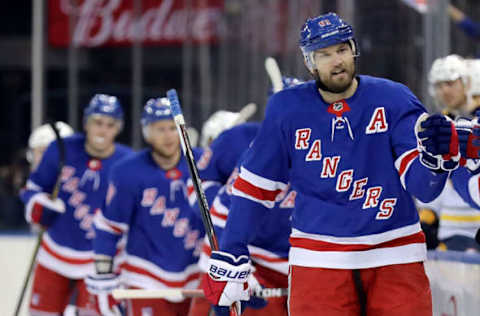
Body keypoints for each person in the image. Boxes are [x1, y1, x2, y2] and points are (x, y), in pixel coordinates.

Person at [200, 12, 455, 316]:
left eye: (343, 49)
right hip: (319, 259)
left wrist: (436, 159)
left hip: (394, 252)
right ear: (309, 62)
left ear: (354, 50)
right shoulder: (287, 109)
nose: (337, 61)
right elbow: (256, 187)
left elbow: (422, 187)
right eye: (325, 54)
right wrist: (233, 248)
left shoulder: (394, 99)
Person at [86, 98, 205, 316]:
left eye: (172, 128)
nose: (168, 135)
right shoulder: (127, 171)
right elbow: (108, 227)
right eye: (160, 129)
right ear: (146, 132)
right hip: (146, 277)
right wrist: (103, 274)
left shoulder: (204, 163)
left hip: (196, 275)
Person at [20, 94, 132, 316]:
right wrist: (37, 205)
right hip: (53, 255)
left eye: (110, 125)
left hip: (101, 263)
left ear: (118, 128)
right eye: (98, 122)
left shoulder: (127, 162)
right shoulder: (61, 149)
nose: (103, 130)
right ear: (86, 123)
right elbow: (33, 187)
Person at [416, 56, 480, 252]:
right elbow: (434, 175)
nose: (445, 90)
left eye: (450, 83)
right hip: (451, 234)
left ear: (467, 82)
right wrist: (428, 216)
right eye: (439, 85)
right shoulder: (439, 125)